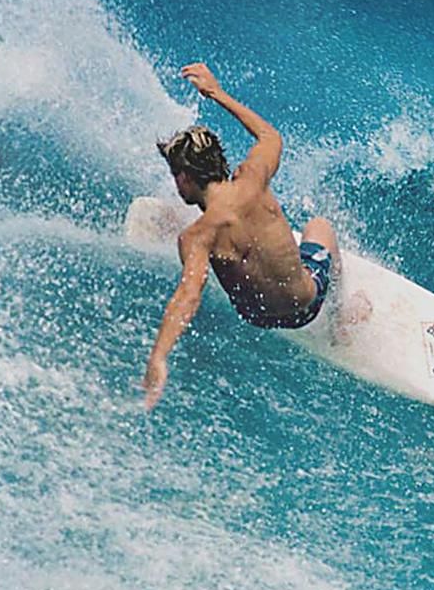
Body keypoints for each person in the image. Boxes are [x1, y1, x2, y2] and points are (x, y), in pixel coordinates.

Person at [133, 61, 333, 408]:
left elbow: (188, 296)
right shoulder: (254, 178)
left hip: (257, 316)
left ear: (183, 178)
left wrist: (158, 357)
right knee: (320, 227)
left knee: (206, 233)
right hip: (306, 306)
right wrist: (215, 93)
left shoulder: (195, 237)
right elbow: (271, 137)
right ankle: (342, 318)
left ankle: (173, 221)